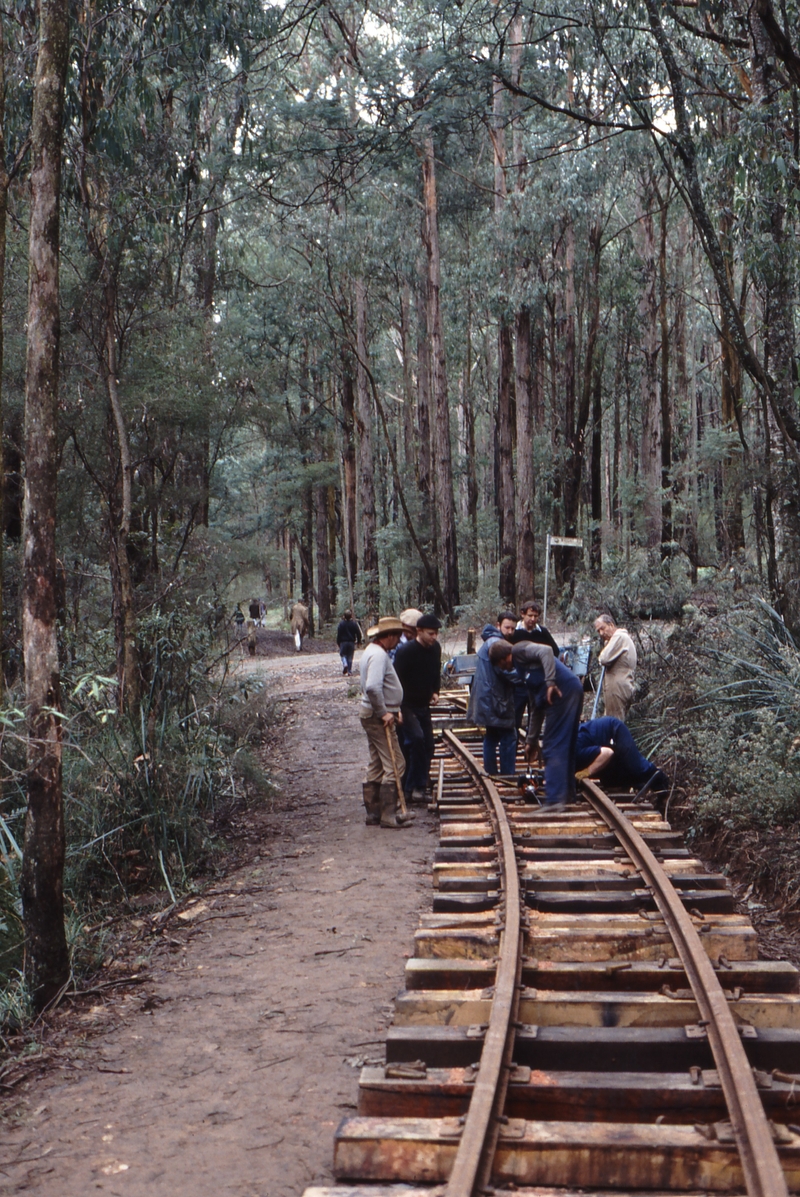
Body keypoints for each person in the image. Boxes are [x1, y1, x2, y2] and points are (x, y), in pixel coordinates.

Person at [508, 640, 584, 813]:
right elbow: (536, 707)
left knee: (552, 745)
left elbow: (546, 650)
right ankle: (568, 796)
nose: (506, 669)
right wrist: (531, 740)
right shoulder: (524, 673)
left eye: (504, 664)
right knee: (567, 746)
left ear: (506, 657)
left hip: (562, 694)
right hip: (571, 690)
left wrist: (550, 683)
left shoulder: (518, 650)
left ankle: (555, 800)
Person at [359, 616, 412, 829]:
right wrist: (383, 712)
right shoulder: (379, 655)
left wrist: (394, 709)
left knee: (377, 763)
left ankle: (373, 813)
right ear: (389, 636)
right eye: (397, 637)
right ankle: (388, 815)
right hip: (376, 715)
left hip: (372, 713)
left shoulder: (371, 651)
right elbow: (372, 687)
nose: (398, 642)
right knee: (396, 764)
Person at [394, 613, 442, 802]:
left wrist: (435, 691)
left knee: (428, 745)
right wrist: (396, 707)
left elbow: (436, 671)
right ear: (419, 631)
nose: (434, 637)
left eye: (436, 633)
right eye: (430, 633)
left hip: (423, 705)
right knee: (415, 741)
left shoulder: (435, 649)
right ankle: (407, 788)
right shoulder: (406, 652)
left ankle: (419, 786)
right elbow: (395, 680)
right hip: (406, 705)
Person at [576, 716, 669, 800]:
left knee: (637, 766)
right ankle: (640, 784)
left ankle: (663, 784)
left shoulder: (576, 751)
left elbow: (607, 753)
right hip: (601, 743)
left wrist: (586, 772)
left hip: (614, 731)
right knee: (609, 780)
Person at [467, 637, 517, 775]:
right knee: (509, 736)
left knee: (492, 736)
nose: (511, 632)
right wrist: (527, 674)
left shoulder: (490, 643)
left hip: (487, 699)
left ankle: (491, 772)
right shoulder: (496, 649)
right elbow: (507, 673)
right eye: (508, 628)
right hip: (495, 700)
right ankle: (507, 774)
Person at [595, 615, 637, 721]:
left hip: (617, 687)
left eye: (603, 628)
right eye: (598, 631)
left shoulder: (619, 637)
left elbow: (604, 658)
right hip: (619, 685)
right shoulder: (619, 638)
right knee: (611, 721)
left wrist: (601, 656)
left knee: (614, 722)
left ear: (611, 625)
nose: (601, 633)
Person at [336, 609, 362, 675]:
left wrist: (338, 642)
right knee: (350, 657)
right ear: (351, 616)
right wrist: (359, 641)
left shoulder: (341, 624)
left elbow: (339, 634)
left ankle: (345, 664)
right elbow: (358, 633)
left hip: (343, 642)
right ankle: (349, 671)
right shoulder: (354, 624)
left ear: (344, 616)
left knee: (342, 655)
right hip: (351, 642)